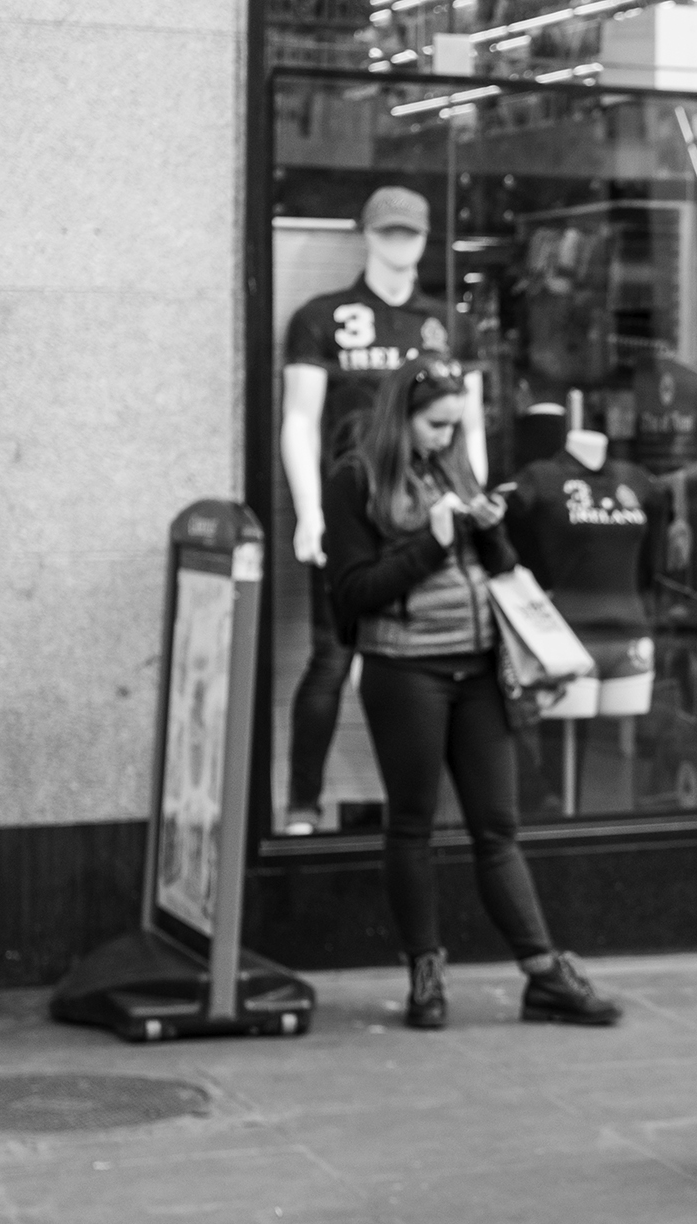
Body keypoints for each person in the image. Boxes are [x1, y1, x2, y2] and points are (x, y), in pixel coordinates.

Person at [323, 353, 620, 1032]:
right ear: (401, 418)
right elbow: (352, 594)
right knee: (412, 824)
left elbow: (504, 571)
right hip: (405, 668)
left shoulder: (453, 467)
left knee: (499, 826)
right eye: (435, 425)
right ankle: (425, 973)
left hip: (482, 664)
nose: (445, 439)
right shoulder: (355, 479)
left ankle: (544, 972)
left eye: (455, 427)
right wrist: (432, 543)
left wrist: (489, 530)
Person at [279, 186, 485, 834]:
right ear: (365, 234)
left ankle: (425, 807)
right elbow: (299, 420)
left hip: (433, 510)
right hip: (355, 509)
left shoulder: (446, 324)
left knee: (433, 659)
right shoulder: (322, 317)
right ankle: (304, 807)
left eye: (411, 234)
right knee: (333, 657)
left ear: (426, 240)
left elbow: (469, 426)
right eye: (387, 232)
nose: (399, 245)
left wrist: (475, 501)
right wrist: (308, 510)